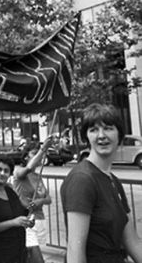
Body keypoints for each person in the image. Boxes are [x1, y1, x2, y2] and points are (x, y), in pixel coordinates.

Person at [61, 104, 142, 263]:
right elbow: (75, 252)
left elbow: (132, 242)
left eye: (108, 128)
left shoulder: (113, 181)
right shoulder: (82, 179)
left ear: (119, 134)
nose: (101, 135)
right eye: (93, 130)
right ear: (86, 138)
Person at [0, 154, 32, 263]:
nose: (2, 173)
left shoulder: (11, 190)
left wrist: (27, 221)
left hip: (18, 250)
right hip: (0, 253)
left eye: (6, 171)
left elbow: (20, 213)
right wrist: (13, 222)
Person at [13, 138, 53, 263]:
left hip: (40, 220)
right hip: (27, 221)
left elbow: (48, 199)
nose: (38, 156)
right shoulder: (19, 171)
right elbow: (29, 168)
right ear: (25, 157)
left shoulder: (38, 176)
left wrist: (40, 201)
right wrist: (43, 149)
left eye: (39, 154)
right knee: (37, 260)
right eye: (33, 153)